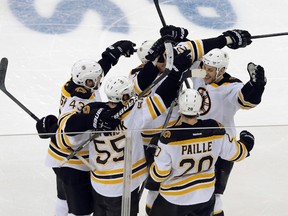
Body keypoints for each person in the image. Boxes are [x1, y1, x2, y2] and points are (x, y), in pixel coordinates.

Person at [133, 25, 253, 215]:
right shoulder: (141, 79)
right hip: (153, 142)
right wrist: (224, 40)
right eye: (162, 59)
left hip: (178, 136)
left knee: (198, 186)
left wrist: (183, 44)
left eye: (167, 57)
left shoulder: (177, 70)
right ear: (148, 62)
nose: (166, 62)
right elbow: (177, 72)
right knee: (155, 187)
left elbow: (194, 57)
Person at [58, 48, 193, 216]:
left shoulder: (94, 112)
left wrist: (91, 118)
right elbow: (162, 98)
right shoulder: (133, 114)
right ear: (124, 97)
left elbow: (67, 127)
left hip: (99, 183)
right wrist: (176, 72)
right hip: (124, 185)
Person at [36, 40, 136, 216]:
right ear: (86, 82)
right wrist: (92, 119)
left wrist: (111, 55)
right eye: (95, 80)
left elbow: (97, 70)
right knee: (80, 210)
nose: (99, 80)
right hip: (72, 161)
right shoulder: (78, 100)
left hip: (58, 156)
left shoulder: (75, 84)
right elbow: (72, 126)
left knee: (63, 199)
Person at [149, 88, 255, 216]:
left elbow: (159, 175)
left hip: (174, 200)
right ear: (200, 107)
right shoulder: (215, 129)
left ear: (180, 108)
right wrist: (246, 142)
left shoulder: (169, 138)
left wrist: (152, 156)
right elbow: (236, 154)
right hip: (205, 198)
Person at [191, 48, 266, 216]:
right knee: (194, 192)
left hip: (222, 148)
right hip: (196, 144)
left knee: (215, 194)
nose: (205, 72)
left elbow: (245, 100)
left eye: (211, 69)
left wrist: (256, 86)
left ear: (222, 70)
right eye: (205, 67)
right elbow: (184, 67)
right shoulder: (200, 72)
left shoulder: (231, 86)